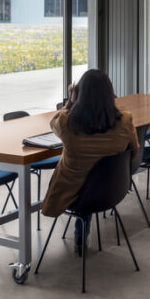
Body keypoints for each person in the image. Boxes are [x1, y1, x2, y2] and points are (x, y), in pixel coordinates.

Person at [42, 69, 139, 253]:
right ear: (110, 94)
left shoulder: (66, 123)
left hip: (73, 192)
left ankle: (81, 235)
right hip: (112, 189)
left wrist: (71, 101)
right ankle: (82, 234)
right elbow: (134, 151)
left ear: (79, 94)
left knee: (85, 179)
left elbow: (52, 122)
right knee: (94, 178)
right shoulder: (125, 121)